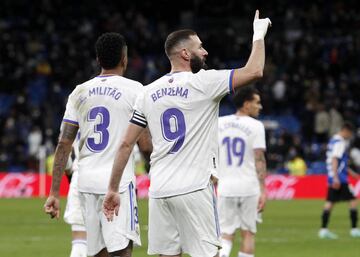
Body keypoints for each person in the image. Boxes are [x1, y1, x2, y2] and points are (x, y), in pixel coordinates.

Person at [103, 10, 271, 257]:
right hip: (195, 188)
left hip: (159, 190)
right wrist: (258, 35)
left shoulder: (147, 92)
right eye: (200, 47)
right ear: (185, 53)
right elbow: (254, 70)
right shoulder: (205, 82)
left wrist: (112, 189)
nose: (205, 52)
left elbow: (126, 144)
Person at [44, 32, 152, 257]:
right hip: (118, 182)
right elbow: (145, 145)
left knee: (96, 252)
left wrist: (54, 192)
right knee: (121, 250)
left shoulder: (79, 92)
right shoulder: (136, 90)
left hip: (87, 182)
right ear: (124, 58)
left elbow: (64, 143)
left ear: (98, 60)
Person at [217, 86, 267, 257]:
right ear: (246, 104)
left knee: (225, 234)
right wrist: (263, 189)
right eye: (257, 103)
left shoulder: (219, 122)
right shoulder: (256, 126)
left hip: (225, 187)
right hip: (249, 187)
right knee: (248, 233)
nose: (260, 107)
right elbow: (259, 158)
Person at [318, 122, 360, 239]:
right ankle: (354, 229)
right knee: (352, 201)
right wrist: (336, 177)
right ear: (346, 131)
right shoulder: (340, 142)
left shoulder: (333, 141)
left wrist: (352, 173)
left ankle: (323, 230)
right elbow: (335, 160)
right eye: (349, 134)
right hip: (340, 178)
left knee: (330, 203)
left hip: (334, 176)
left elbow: (339, 162)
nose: (349, 136)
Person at [63, 133, 87, 257]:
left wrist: (69, 174)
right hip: (111, 176)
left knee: (79, 238)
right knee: (112, 242)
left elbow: (63, 145)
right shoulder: (121, 113)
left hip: (81, 175)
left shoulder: (75, 112)